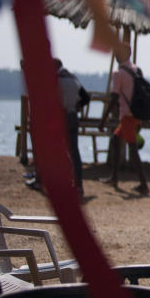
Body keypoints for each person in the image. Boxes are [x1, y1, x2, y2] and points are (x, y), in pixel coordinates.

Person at [100, 43, 149, 194]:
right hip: (135, 113)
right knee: (115, 139)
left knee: (133, 149)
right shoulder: (136, 70)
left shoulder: (118, 73)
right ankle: (114, 177)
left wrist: (104, 117)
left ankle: (143, 184)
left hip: (127, 115)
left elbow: (114, 96)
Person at [55, 58, 90, 197]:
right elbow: (86, 97)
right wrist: (77, 107)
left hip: (61, 117)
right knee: (75, 152)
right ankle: (79, 185)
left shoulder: (55, 80)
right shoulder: (73, 79)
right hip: (73, 116)